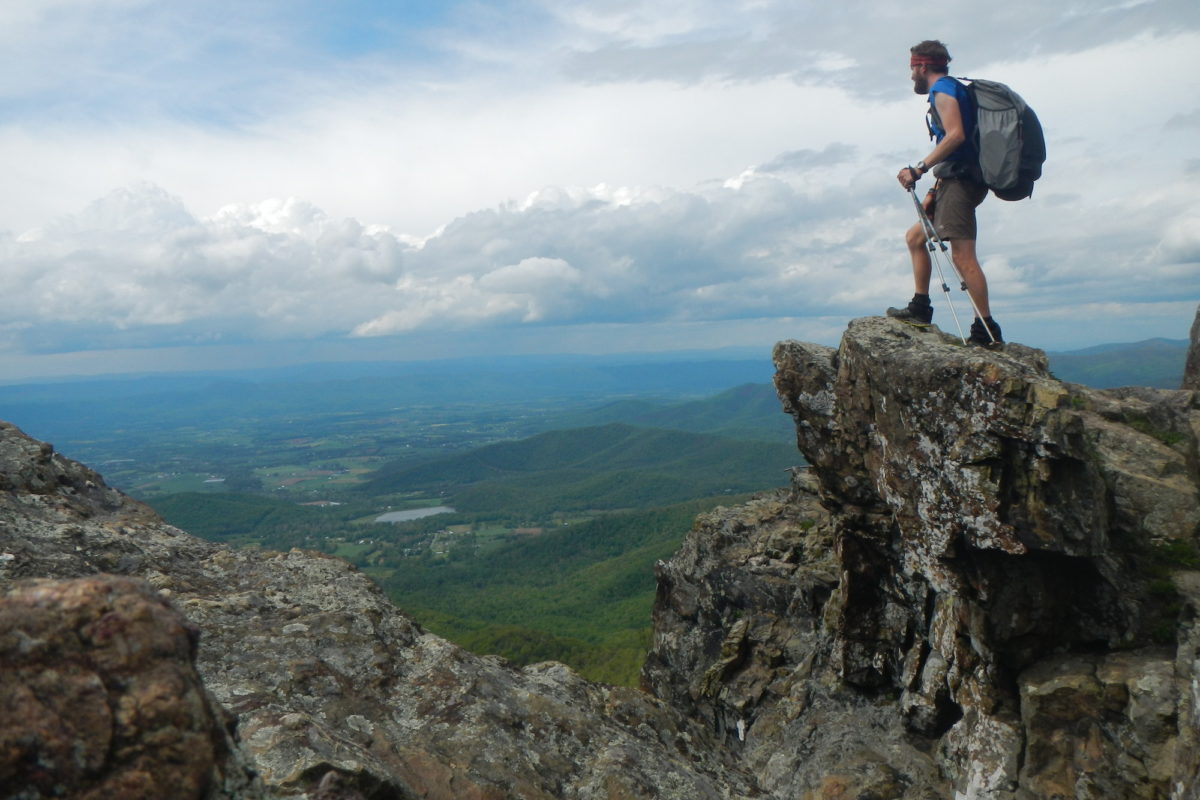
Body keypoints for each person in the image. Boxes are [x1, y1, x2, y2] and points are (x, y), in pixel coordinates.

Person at [888, 40, 1003, 347]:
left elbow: (956, 136)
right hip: (953, 180)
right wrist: (934, 189)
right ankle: (920, 309)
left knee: (963, 257)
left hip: (963, 182)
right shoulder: (951, 90)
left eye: (912, 67)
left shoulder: (945, 91)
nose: (911, 74)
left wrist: (919, 168)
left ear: (922, 66)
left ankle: (986, 331)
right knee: (915, 237)